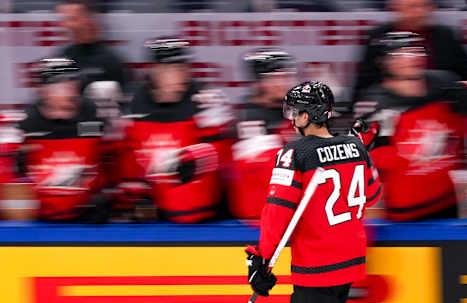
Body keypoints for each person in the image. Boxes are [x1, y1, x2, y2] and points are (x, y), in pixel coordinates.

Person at [245, 81, 382, 303]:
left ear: (307, 116)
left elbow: (277, 212)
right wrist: (363, 149)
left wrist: (262, 258)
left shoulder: (295, 153)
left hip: (316, 266)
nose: (292, 119)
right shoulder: (356, 147)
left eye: (295, 113)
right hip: (349, 264)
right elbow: (373, 195)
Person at [353, 31, 467, 221]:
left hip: (449, 207)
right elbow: (365, 169)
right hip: (407, 218)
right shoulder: (374, 107)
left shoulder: (446, 85)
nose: (412, 57)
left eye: (416, 50)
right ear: (385, 62)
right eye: (400, 53)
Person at [117, 37, 233, 223]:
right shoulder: (133, 105)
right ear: (154, 71)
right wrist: (137, 200)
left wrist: (190, 161)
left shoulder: (207, 101)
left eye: (184, 67)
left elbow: (225, 159)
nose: (182, 75)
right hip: (159, 218)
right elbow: (128, 160)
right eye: (172, 69)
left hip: (205, 216)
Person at [11, 57, 110, 222]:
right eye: (63, 85)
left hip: (87, 220)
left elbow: (110, 160)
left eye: (74, 84)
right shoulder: (26, 126)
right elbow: (15, 181)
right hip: (39, 225)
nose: (71, 91)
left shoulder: (92, 117)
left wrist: (104, 197)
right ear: (44, 90)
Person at [351, 0, 467, 103]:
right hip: (393, 110)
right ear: (396, 7)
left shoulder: (445, 36)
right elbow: (363, 85)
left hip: (441, 109)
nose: (419, 12)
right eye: (412, 7)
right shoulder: (379, 38)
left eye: (424, 6)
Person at [229, 48, 296, 219]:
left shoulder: (291, 111)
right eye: (274, 78)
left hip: (288, 209)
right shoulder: (248, 117)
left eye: (286, 75)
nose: (283, 82)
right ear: (257, 82)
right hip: (257, 215)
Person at [55, 0, 130, 92]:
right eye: (64, 20)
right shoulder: (63, 57)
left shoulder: (112, 61)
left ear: (87, 21)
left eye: (72, 19)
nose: (66, 25)